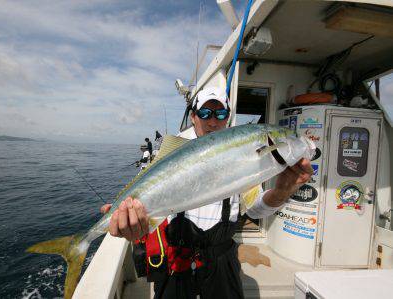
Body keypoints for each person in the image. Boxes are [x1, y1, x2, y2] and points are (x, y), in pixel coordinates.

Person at [101, 87, 313, 298]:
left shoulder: (242, 154)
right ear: (193, 117)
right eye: (204, 113)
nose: (213, 121)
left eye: (220, 114)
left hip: (221, 262)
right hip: (176, 263)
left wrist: (282, 190)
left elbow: (255, 210)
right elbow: (147, 202)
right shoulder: (174, 152)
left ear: (228, 117)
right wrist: (129, 218)